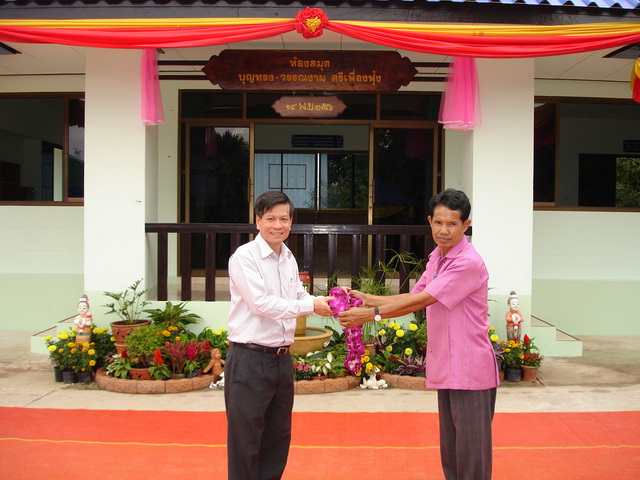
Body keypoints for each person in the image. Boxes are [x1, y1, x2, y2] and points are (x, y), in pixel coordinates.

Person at [338, 188, 498, 480]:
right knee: (451, 454)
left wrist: (370, 314)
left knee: (471, 457)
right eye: (438, 222)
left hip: (471, 371)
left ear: (466, 225)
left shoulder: (467, 262)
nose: (444, 230)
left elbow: (422, 301)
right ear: (429, 221)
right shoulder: (437, 257)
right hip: (449, 367)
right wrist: (366, 298)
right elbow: (412, 296)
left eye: (452, 224)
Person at [224, 190, 334, 480]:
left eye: (284, 219)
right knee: (246, 440)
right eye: (270, 219)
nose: (278, 225)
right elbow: (260, 304)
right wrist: (311, 306)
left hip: (281, 360)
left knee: (277, 438)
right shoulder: (244, 257)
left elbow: (297, 295)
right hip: (250, 359)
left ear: (291, 221)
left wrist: (327, 302)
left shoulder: (288, 257)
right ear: (257, 221)